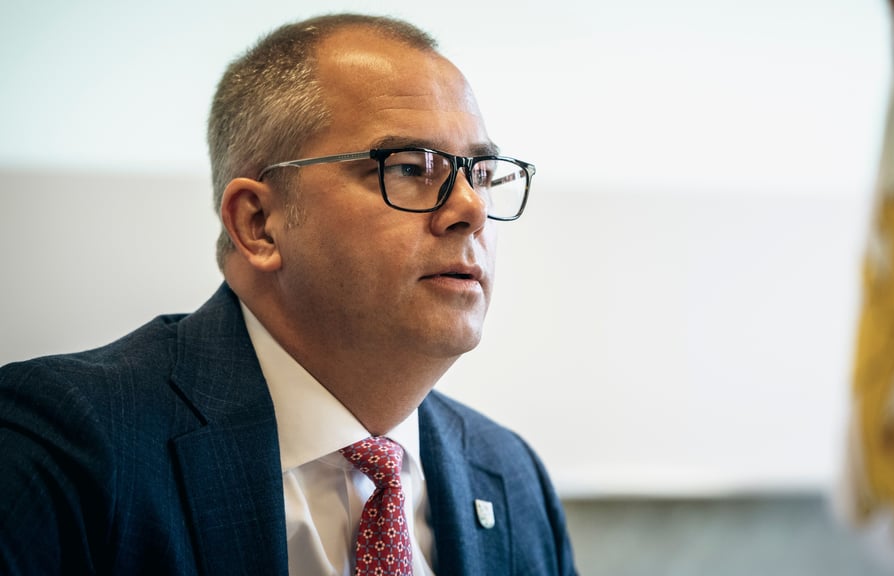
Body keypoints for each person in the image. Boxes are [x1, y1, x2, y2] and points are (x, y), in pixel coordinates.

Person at [0, 13, 577, 576]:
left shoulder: (511, 477)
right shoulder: (65, 444)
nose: (472, 209)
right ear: (257, 223)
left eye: (481, 173)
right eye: (409, 167)